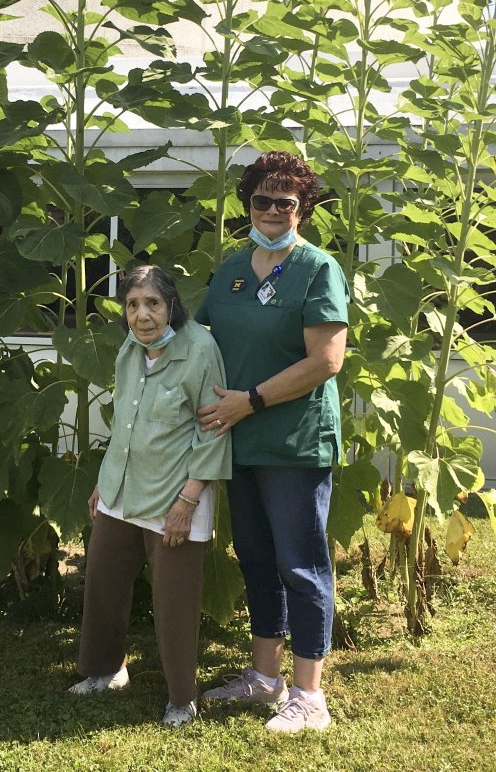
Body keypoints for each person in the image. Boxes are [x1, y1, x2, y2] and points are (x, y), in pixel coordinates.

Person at [195, 150, 349, 734]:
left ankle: (310, 694)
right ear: (248, 205)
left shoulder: (317, 269)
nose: (274, 210)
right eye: (263, 200)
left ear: (302, 209)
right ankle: (265, 679)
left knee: (301, 564)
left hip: (293, 441)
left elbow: (326, 361)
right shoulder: (232, 270)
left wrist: (250, 400)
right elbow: (198, 335)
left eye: (287, 202)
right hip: (239, 438)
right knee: (256, 559)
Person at [69, 264, 232, 728]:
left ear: (172, 306)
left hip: (176, 493)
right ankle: (105, 670)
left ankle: (182, 699)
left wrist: (188, 500)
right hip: (123, 484)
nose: (143, 315)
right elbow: (123, 419)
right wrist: (105, 479)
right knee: (103, 578)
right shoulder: (131, 348)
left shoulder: (200, 349)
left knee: (174, 598)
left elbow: (215, 428)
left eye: (153, 304)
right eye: (133, 305)